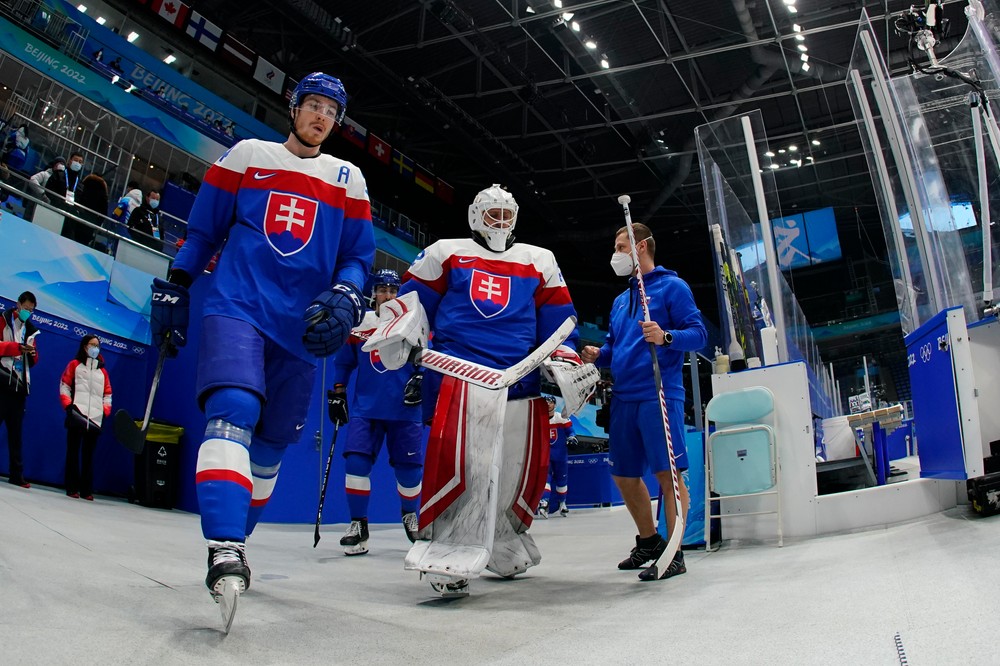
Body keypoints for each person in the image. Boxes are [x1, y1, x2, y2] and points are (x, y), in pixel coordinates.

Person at [147, 72, 374, 623]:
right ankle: (224, 545)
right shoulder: (249, 154)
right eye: (313, 105)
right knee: (234, 409)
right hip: (238, 304)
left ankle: (238, 540)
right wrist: (178, 282)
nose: (321, 117)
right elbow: (204, 230)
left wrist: (348, 293)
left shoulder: (349, 179)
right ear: (293, 108)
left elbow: (357, 258)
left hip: (303, 327)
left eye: (331, 112)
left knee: (271, 448)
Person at [365, 184, 587, 596]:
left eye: (506, 215)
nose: (500, 223)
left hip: (521, 379)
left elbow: (558, 317)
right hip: (459, 377)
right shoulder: (445, 252)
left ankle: (503, 538)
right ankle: (448, 547)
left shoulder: (539, 259)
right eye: (492, 215)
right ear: (475, 215)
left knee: (516, 469)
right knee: (463, 466)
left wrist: (564, 356)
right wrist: (400, 334)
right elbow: (411, 304)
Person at [580, 222, 707, 581]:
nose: (616, 254)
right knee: (623, 475)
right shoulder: (621, 300)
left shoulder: (673, 287)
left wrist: (666, 336)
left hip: (659, 394)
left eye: (621, 247)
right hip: (623, 398)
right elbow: (614, 347)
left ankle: (674, 552)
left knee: (668, 475)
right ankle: (649, 542)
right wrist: (598, 354)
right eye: (616, 248)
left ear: (642, 247)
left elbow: (698, 335)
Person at [329, 268, 424, 555]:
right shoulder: (361, 323)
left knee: (409, 471)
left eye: (393, 290)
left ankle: (410, 515)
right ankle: (358, 526)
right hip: (366, 409)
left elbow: (426, 360)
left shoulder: (414, 321)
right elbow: (344, 362)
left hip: (405, 410)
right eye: (382, 289)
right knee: (356, 464)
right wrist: (338, 392)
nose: (388, 295)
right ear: (373, 294)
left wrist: (422, 379)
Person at [59, 335, 111, 501]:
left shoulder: (103, 372)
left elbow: (108, 394)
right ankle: (71, 488)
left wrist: (105, 411)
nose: (95, 348)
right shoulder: (74, 365)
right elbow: (64, 386)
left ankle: (86, 490)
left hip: (95, 418)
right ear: (84, 346)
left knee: (89, 456)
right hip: (77, 415)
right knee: (73, 453)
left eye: (97, 345)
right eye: (92, 344)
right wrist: (69, 406)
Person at [0, 292, 39, 488]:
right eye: (26, 308)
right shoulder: (3, 320)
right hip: (2, 381)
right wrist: (15, 348)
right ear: (18, 304)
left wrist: (31, 353)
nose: (28, 313)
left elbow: (34, 360)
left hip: (20, 386)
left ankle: (16, 474)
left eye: (31, 310)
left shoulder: (31, 330)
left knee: (16, 435)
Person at [537, 395, 577, 519]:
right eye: (545, 402)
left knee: (562, 480)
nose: (548, 404)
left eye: (550, 402)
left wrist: (572, 438)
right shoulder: (538, 419)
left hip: (560, 455)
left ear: (554, 404)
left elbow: (570, 431)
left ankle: (562, 503)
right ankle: (544, 502)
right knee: (545, 479)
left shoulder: (561, 418)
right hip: (545, 455)